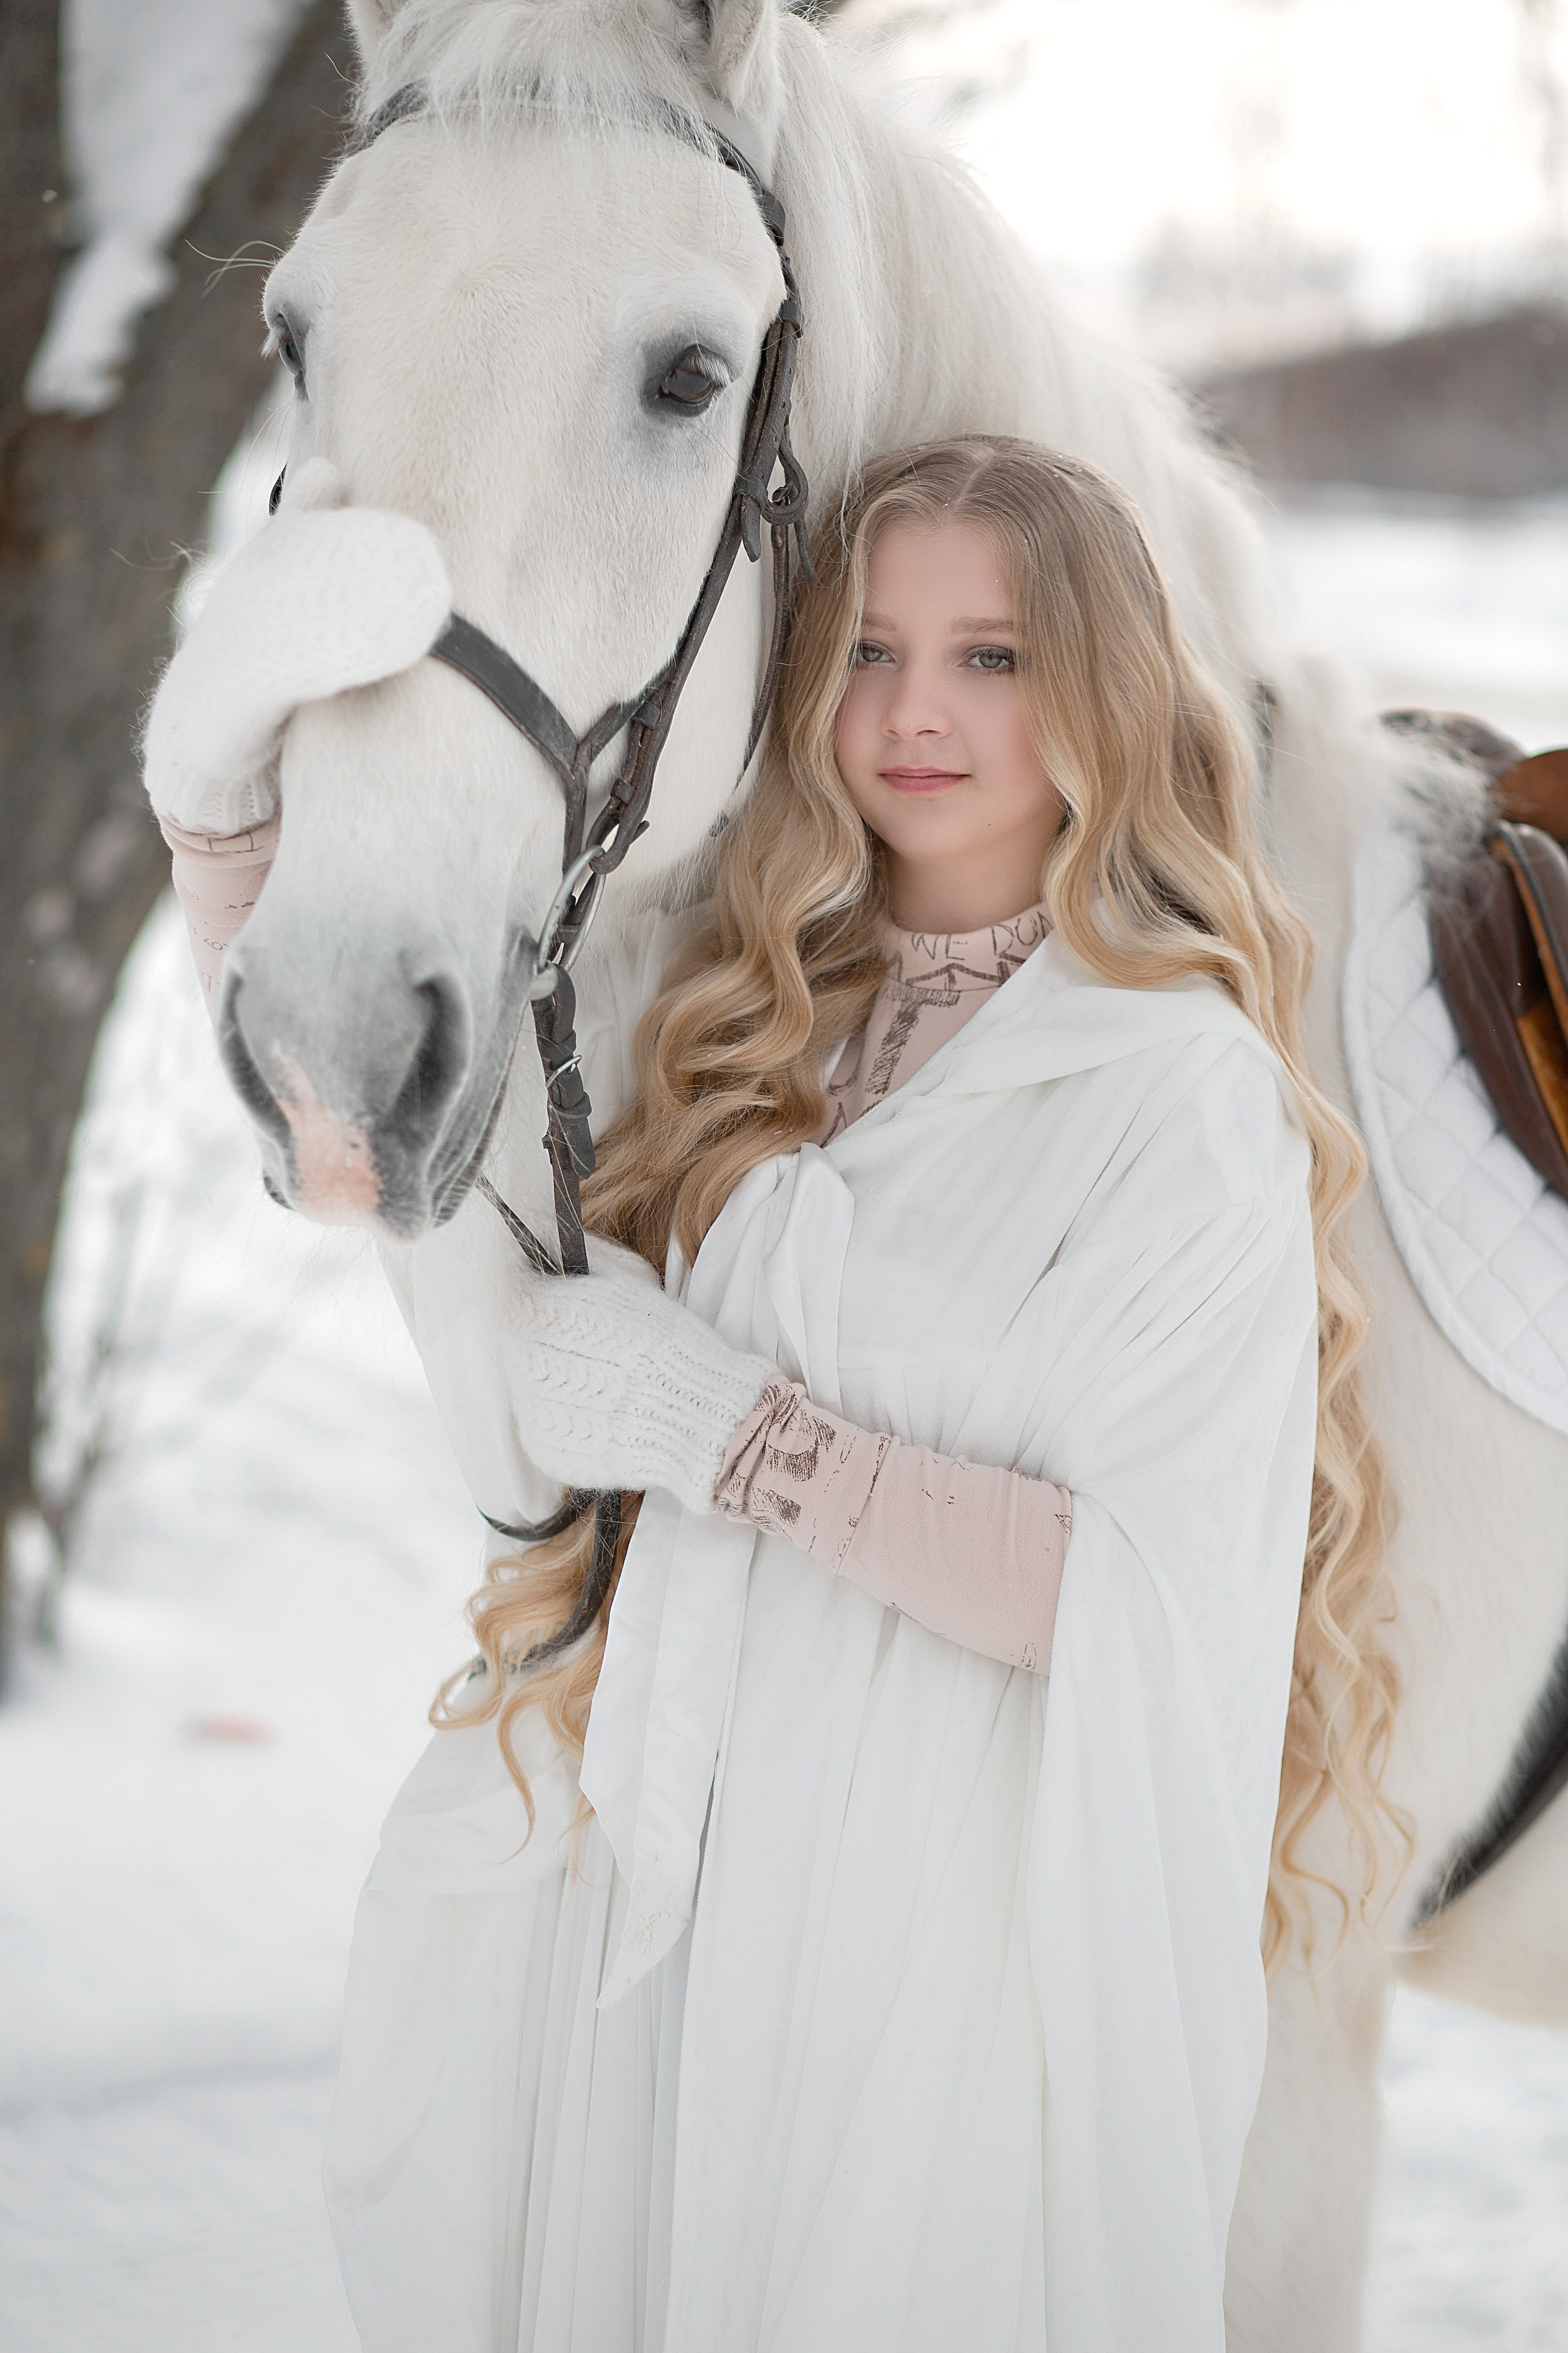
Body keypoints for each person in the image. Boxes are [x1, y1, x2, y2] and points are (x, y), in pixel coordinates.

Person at [173, 437, 1390, 2352]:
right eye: (870, 651)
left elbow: (1137, 1596)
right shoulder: (760, 1025)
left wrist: (733, 1435)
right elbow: (417, 1208)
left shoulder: (1174, 1099)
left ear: (1103, 684)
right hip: (689, 1861)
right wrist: (222, 845)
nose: (914, 711)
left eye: (991, 657)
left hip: (941, 1915)